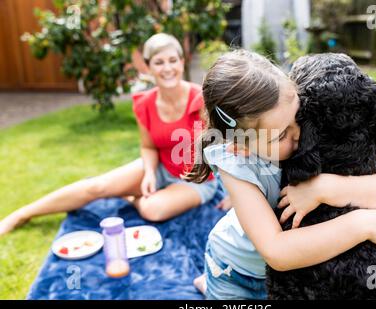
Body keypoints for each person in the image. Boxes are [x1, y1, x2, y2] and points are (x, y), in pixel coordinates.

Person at [185, 50, 376, 299]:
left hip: (289, 277)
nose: (300, 135)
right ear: (241, 145)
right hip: (237, 274)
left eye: (300, 118)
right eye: (281, 135)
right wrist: (364, 225)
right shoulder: (237, 165)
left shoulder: (304, 135)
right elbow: (277, 252)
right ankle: (210, 282)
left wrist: (325, 188)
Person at [0, 33, 225, 236]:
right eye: (159, 62)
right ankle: (22, 214)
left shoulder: (201, 100)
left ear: (182, 62)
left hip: (197, 180)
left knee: (152, 209)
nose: (167, 68)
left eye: (172, 60)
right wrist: (148, 173)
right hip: (161, 168)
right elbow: (148, 147)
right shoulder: (145, 103)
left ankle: (128, 194)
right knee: (95, 187)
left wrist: (234, 193)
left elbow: (226, 142)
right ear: (147, 67)